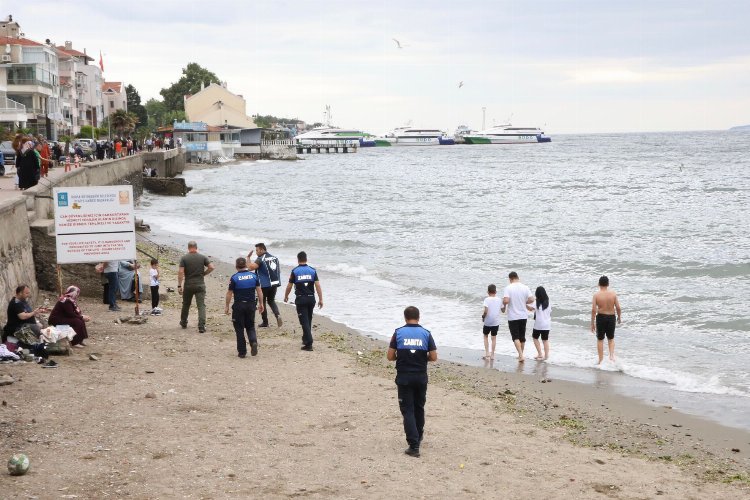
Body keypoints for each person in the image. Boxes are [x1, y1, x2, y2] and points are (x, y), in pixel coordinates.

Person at [386, 306, 438, 458]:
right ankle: (418, 436)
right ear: (418, 317)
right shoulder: (426, 333)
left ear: (405, 318)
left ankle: (414, 446)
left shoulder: (398, 333)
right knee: (419, 407)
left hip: (404, 377)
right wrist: (422, 358)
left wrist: (401, 357)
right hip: (421, 377)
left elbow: (390, 356)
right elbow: (434, 357)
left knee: (408, 410)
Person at [283, 251, 323, 351]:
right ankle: (305, 339)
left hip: (301, 299)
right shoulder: (312, 271)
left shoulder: (295, 271)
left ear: (298, 259)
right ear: (306, 259)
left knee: (304, 321)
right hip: (311, 298)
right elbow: (318, 285)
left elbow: (289, 286)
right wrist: (321, 299)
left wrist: (286, 296)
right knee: (308, 319)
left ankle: (309, 343)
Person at [225, 257, 264, 358]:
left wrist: (227, 306)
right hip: (251, 305)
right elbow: (259, 291)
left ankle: (242, 352)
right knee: (250, 326)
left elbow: (229, 293)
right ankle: (253, 341)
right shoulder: (254, 276)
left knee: (239, 329)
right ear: (246, 265)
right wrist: (261, 304)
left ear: (236, 266)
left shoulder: (234, 278)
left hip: (239, 305)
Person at [178, 241, 215, 333]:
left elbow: (181, 272)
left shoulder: (184, 258)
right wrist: (204, 274)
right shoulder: (202, 257)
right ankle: (201, 326)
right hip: (200, 285)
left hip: (188, 285)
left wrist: (179, 285)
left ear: (188, 248)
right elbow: (211, 267)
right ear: (196, 247)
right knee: (201, 306)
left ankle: (183, 322)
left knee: (186, 304)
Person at [502, 271, 534, 362]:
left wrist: (504, 302)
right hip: (523, 315)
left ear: (510, 279)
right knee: (522, 336)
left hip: (513, 316)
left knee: (515, 337)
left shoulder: (508, 288)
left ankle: (520, 355)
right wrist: (524, 302)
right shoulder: (525, 287)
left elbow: (506, 300)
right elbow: (532, 299)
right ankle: (521, 355)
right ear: (517, 277)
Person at [247, 243, 282, 328]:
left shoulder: (260, 259)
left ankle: (265, 322)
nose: (256, 252)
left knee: (262, 302)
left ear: (262, 250)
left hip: (264, 285)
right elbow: (278, 271)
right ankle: (277, 315)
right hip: (274, 283)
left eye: (257, 250)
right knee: (271, 301)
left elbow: (250, 268)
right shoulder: (275, 258)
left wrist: (248, 258)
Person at [591, 275, 622, 364]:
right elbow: (618, 308)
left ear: (598, 284)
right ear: (608, 284)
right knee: (611, 338)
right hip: (611, 317)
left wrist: (592, 323)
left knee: (600, 339)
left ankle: (600, 361)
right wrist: (619, 317)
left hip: (601, 317)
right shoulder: (613, 294)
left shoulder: (596, 295)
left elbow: (593, 310)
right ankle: (611, 356)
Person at [529, 286, 552, 361]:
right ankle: (546, 356)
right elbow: (550, 312)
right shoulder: (548, 302)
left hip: (538, 324)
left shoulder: (536, 302)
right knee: (545, 340)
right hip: (547, 324)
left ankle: (540, 354)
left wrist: (525, 305)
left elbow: (531, 309)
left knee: (535, 338)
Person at [481, 284, 502, 360]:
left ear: (488, 292)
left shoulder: (487, 299)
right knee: (494, 338)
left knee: (485, 336)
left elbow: (486, 311)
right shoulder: (499, 299)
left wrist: (483, 316)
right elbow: (503, 310)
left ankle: (487, 353)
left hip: (487, 321)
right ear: (495, 291)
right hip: (495, 322)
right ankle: (492, 355)